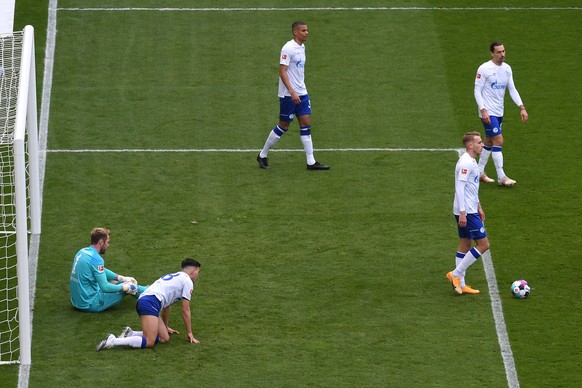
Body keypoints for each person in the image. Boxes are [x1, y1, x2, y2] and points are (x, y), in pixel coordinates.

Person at [257, 21, 329, 171]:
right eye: (303, 30)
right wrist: (292, 91)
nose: (307, 33)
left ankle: (311, 162)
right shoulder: (288, 48)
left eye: (307, 30)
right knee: (283, 126)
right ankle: (262, 155)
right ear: (295, 32)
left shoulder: (302, 47)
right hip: (288, 95)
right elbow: (282, 72)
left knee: (306, 124)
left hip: (302, 93)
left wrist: (299, 91)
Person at [96, 258, 201, 351]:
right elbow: (185, 309)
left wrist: (165, 326)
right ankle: (113, 341)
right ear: (192, 272)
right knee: (149, 341)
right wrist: (189, 333)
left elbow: (166, 306)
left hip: (149, 300)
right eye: (197, 272)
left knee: (164, 338)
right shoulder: (188, 281)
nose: (198, 275)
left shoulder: (177, 277)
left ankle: (131, 334)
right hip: (149, 302)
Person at [474, 41, 528, 186]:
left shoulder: (507, 69)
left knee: (489, 141)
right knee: (498, 140)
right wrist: (483, 109)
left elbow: (512, 89)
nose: (502, 54)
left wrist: (521, 107)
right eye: (499, 52)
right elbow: (477, 90)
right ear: (492, 53)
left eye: (503, 51)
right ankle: (501, 177)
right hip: (488, 112)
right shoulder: (484, 69)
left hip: (499, 111)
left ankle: (479, 172)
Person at [446, 132, 491, 295]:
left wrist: (479, 205)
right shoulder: (466, 163)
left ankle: (461, 284)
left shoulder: (471, 161)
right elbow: (459, 187)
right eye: (479, 142)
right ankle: (455, 274)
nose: (482, 145)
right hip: (466, 211)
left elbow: (471, 187)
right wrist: (464, 212)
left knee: (465, 244)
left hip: (469, 208)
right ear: (470, 145)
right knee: (484, 245)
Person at [69, 227, 147, 312]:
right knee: (129, 286)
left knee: (116, 282)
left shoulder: (82, 252)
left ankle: (144, 290)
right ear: (101, 242)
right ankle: (149, 292)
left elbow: (101, 271)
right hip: (90, 303)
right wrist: (125, 287)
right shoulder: (96, 259)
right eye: (107, 242)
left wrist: (120, 277)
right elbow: (105, 287)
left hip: (77, 301)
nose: (108, 245)